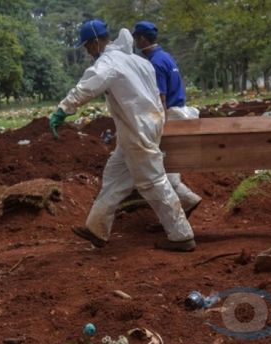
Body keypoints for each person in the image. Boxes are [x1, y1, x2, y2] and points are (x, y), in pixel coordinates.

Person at [48, 19, 196, 252]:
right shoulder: (137, 61)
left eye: (87, 45)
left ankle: (181, 235)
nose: (87, 51)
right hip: (143, 127)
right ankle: (96, 228)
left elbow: (86, 87)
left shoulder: (109, 63)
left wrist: (62, 110)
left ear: (96, 41)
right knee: (114, 175)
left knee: (153, 183)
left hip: (137, 130)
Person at [132, 20, 202, 221]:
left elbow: (160, 97)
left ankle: (187, 200)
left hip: (169, 115)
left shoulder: (154, 63)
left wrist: (159, 126)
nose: (136, 42)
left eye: (137, 38)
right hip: (180, 112)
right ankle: (177, 212)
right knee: (167, 167)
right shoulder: (167, 57)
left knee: (162, 169)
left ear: (143, 38)